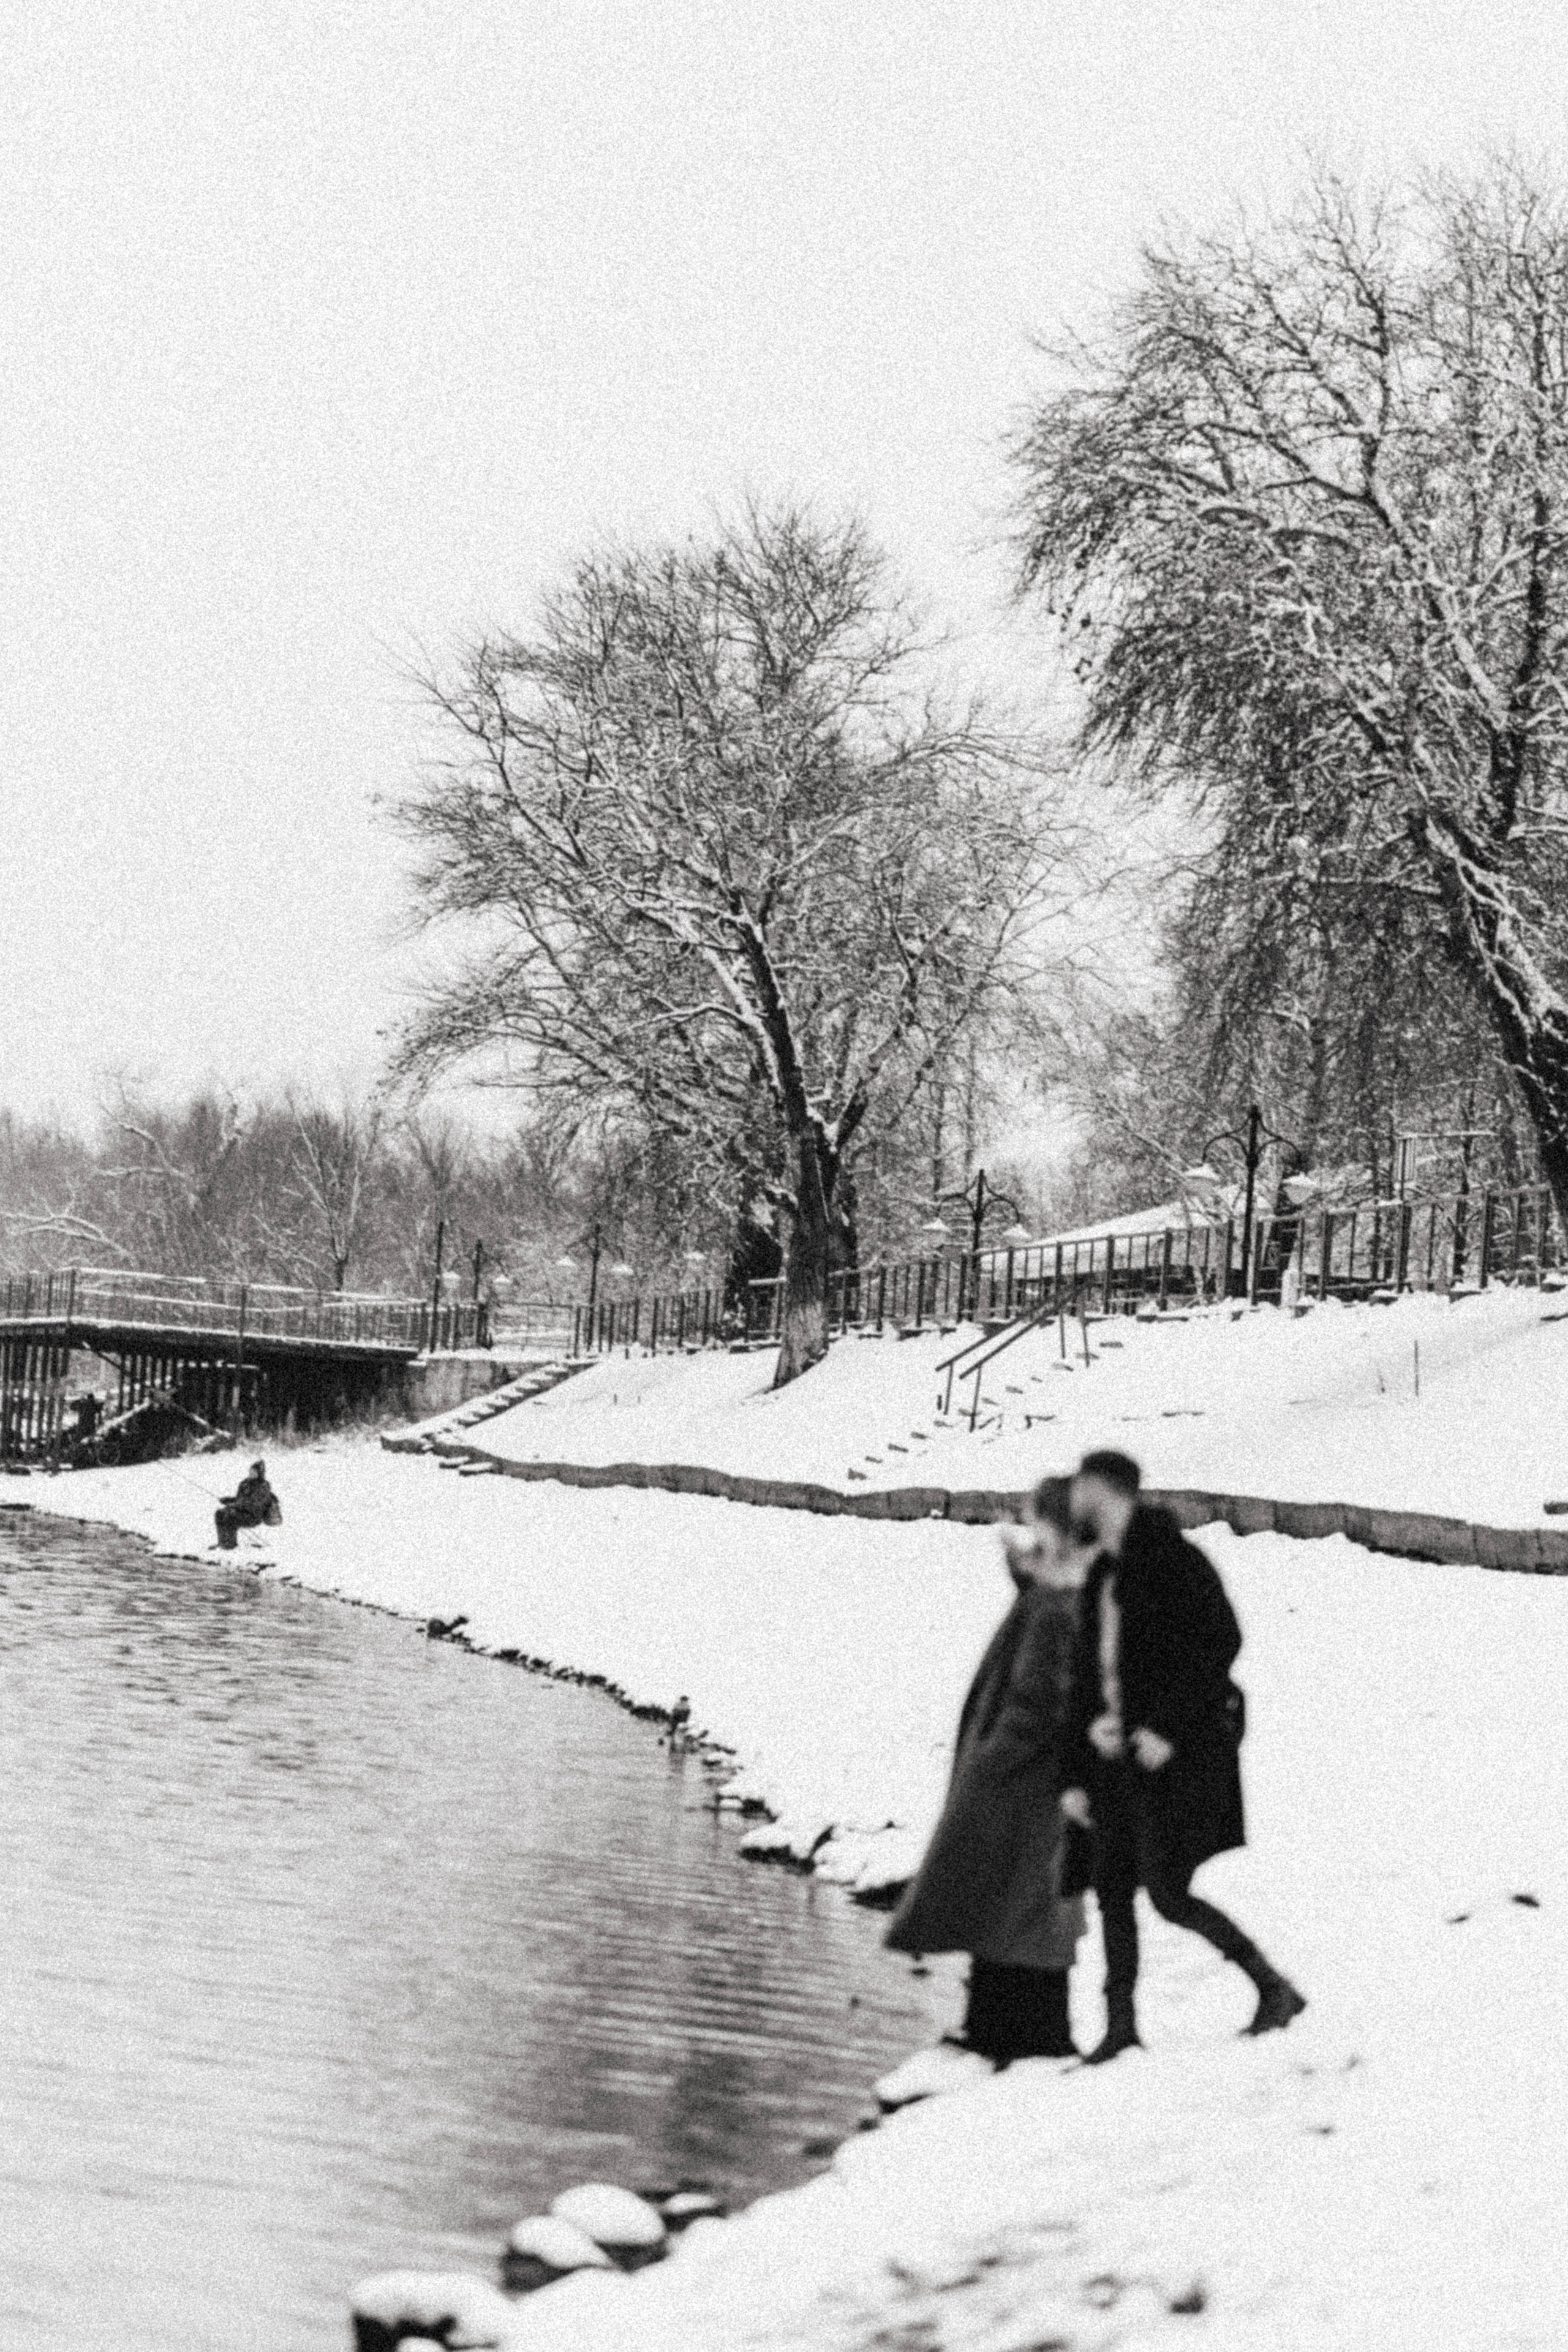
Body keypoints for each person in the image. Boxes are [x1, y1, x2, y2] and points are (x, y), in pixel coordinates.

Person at [1061, 1449, 1305, 2063]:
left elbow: (1219, 1642)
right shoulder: (1103, 1571)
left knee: (1168, 1893)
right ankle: (1120, 2029)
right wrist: (1092, 1729)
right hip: (1115, 1757)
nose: (1073, 1500)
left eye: (1081, 1487)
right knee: (1112, 1887)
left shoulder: (1173, 1560)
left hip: (1172, 1757)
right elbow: (1090, 1670)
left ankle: (1274, 1990)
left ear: (1103, 1489)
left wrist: (1166, 1728)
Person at [885, 1476, 1097, 2064]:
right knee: (1013, 1904)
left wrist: (992, 1762)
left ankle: (1022, 2037)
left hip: (1024, 1782)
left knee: (1018, 1903)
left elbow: (1039, 1700)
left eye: (1039, 1526)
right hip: (1030, 1781)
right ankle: (1003, 2030)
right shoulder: (1062, 1592)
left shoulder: (1060, 1605)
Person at [214, 1458, 282, 1551]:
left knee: (230, 1515)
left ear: (260, 1473)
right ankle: (222, 1543)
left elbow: (253, 1505)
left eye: (254, 1472)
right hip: (241, 1511)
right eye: (251, 1471)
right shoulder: (245, 1484)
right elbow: (240, 1499)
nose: (251, 1474)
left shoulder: (263, 1487)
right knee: (220, 1513)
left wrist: (233, 1505)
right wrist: (227, 1500)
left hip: (253, 1517)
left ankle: (230, 1545)